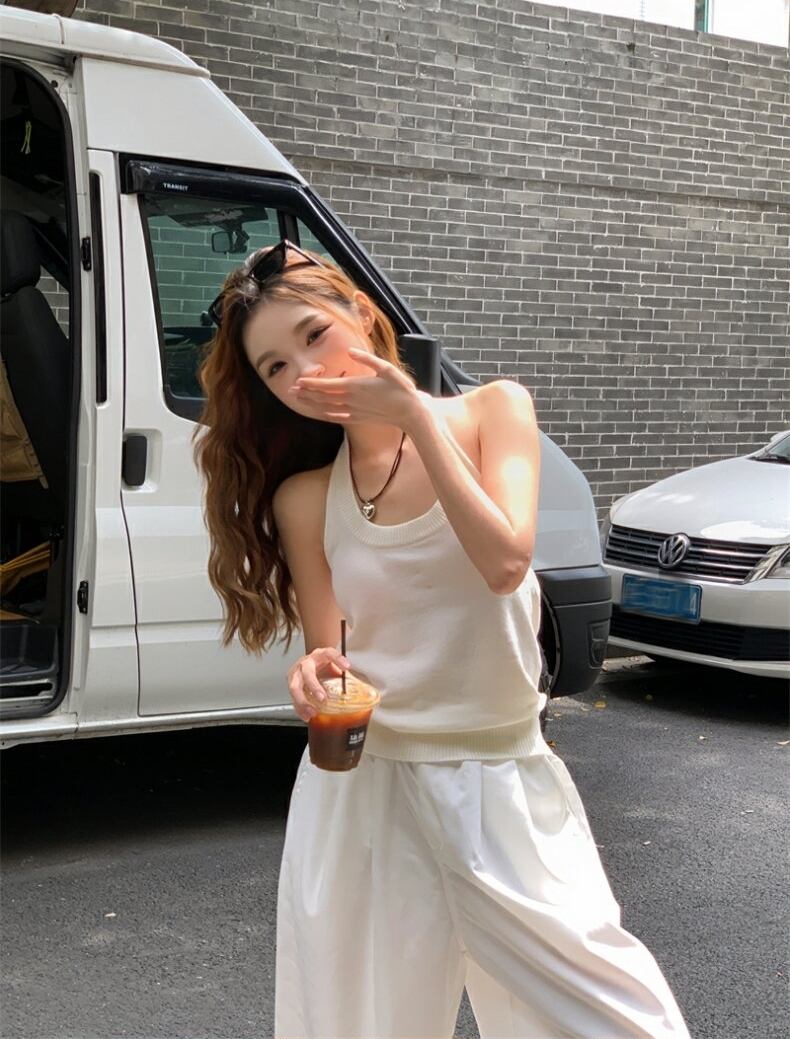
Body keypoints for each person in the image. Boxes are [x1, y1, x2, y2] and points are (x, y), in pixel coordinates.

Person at [194, 239, 692, 1039]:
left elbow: (504, 561)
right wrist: (314, 673)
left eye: (314, 335)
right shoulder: (305, 497)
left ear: (362, 313)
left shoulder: (495, 411)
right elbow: (333, 655)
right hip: (364, 790)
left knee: (614, 1018)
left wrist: (415, 416)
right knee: (357, 1023)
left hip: (497, 777)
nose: (304, 372)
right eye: (275, 367)